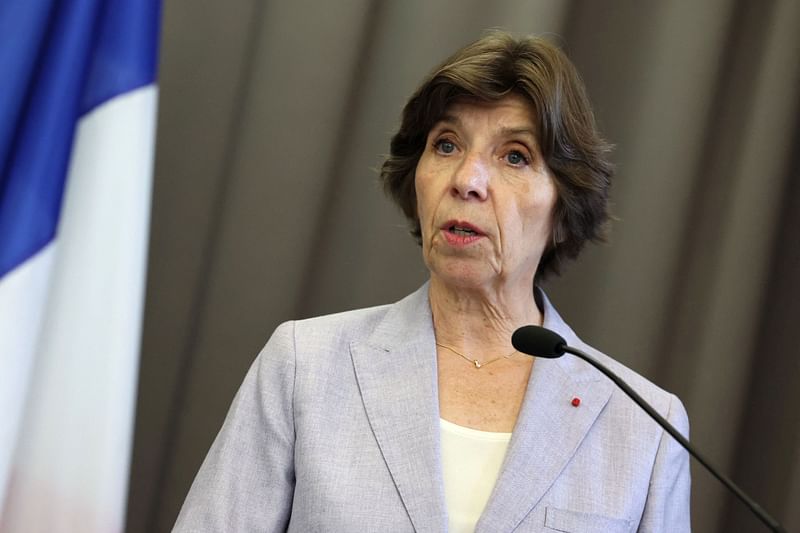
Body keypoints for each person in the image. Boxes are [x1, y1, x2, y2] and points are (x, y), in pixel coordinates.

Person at [174, 31, 691, 532]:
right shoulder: (303, 367)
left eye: (515, 156)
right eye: (446, 145)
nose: (466, 180)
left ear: (564, 208)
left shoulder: (643, 427)